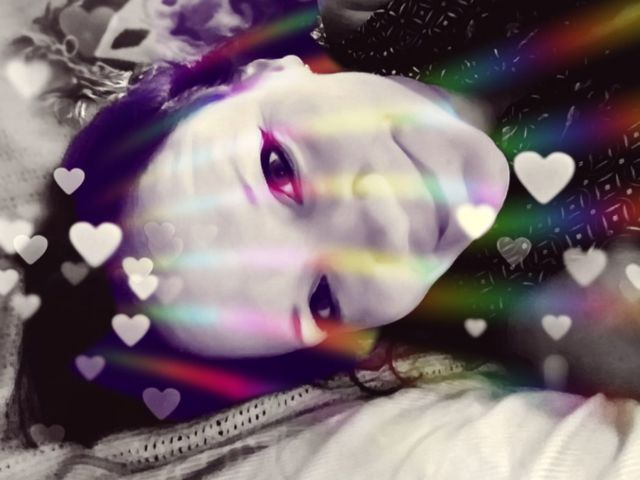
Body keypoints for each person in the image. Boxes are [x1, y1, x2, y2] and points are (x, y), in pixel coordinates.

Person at [315, 0, 640, 396]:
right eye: (321, 293)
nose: (379, 208)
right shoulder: (505, 287)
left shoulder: (379, 33)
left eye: (280, 170)